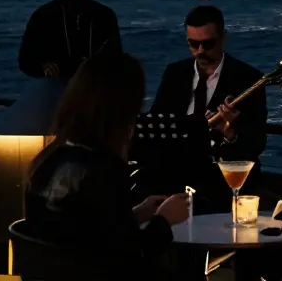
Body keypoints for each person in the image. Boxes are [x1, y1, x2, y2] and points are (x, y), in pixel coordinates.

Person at [24, 52, 191, 279]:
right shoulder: (104, 171)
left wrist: (137, 214)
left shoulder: (49, 160)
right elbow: (131, 258)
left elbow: (85, 231)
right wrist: (164, 220)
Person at [147, 5, 267, 213]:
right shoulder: (175, 73)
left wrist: (229, 132)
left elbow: (256, 143)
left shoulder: (248, 79)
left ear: (224, 38)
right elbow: (158, 122)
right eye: (193, 44)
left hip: (221, 176)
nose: (200, 51)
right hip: (178, 171)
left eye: (207, 44)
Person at [18, 0, 122, 78]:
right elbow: (26, 61)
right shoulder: (43, 17)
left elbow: (116, 59)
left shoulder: (105, 16)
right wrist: (43, 67)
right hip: (56, 92)